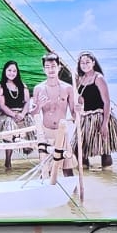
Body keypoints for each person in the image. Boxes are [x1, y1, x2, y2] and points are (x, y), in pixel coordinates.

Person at [30, 53, 80, 184]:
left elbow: (74, 114)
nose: (51, 70)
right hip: (45, 133)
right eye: (47, 67)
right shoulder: (38, 88)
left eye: (53, 66)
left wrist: (80, 110)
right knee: (45, 169)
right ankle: (43, 198)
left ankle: (73, 199)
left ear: (59, 67)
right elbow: (33, 113)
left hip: (62, 133)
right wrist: (39, 106)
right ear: (43, 69)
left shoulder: (67, 88)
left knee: (67, 169)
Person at [74, 52, 117, 170]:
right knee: (79, 149)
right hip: (87, 117)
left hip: (100, 116)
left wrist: (105, 124)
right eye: (82, 62)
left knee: (104, 150)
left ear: (93, 63)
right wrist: (78, 103)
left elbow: (107, 102)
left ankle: (107, 174)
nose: (85, 65)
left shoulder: (99, 78)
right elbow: (82, 100)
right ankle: (86, 173)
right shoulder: (80, 79)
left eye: (87, 62)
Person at [0, 60, 33, 171]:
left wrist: (22, 114)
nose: (12, 73)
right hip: (8, 115)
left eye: (14, 71)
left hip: (22, 114)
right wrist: (13, 115)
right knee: (9, 132)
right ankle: (8, 161)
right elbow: (1, 105)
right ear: (5, 71)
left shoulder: (22, 85)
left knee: (30, 132)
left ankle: (27, 153)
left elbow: (27, 102)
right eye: (9, 70)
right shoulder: (1, 86)